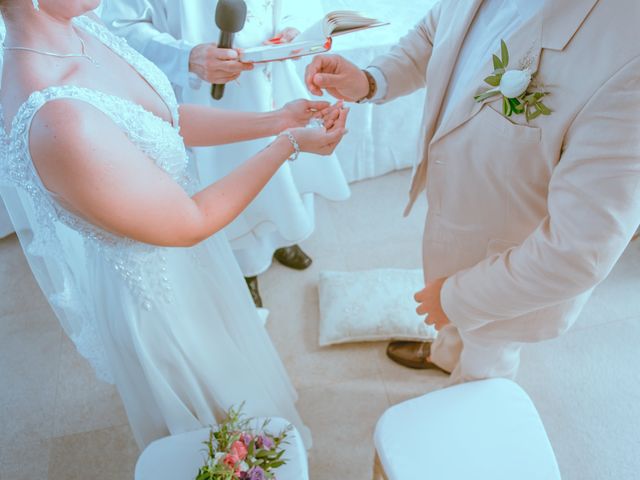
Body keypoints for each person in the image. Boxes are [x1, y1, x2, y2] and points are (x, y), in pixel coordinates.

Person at [0, 0, 348, 448]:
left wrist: (276, 119)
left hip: (193, 264)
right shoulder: (57, 117)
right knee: (221, 429)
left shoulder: (81, 26)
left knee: (242, 386)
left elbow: (165, 120)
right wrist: (289, 144)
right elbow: (190, 222)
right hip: (160, 295)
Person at [305, 0, 640, 384]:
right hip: (460, 219)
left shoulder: (629, 57)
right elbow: (436, 33)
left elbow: (579, 251)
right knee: (455, 329)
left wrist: (455, 300)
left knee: (483, 365)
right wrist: (371, 79)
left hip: (511, 268)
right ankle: (446, 353)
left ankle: (467, 382)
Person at [101, 0, 351, 307]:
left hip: (273, 78)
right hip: (205, 101)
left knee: (283, 173)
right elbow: (120, 28)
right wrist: (187, 58)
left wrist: (293, 27)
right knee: (229, 182)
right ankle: (246, 268)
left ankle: (282, 240)